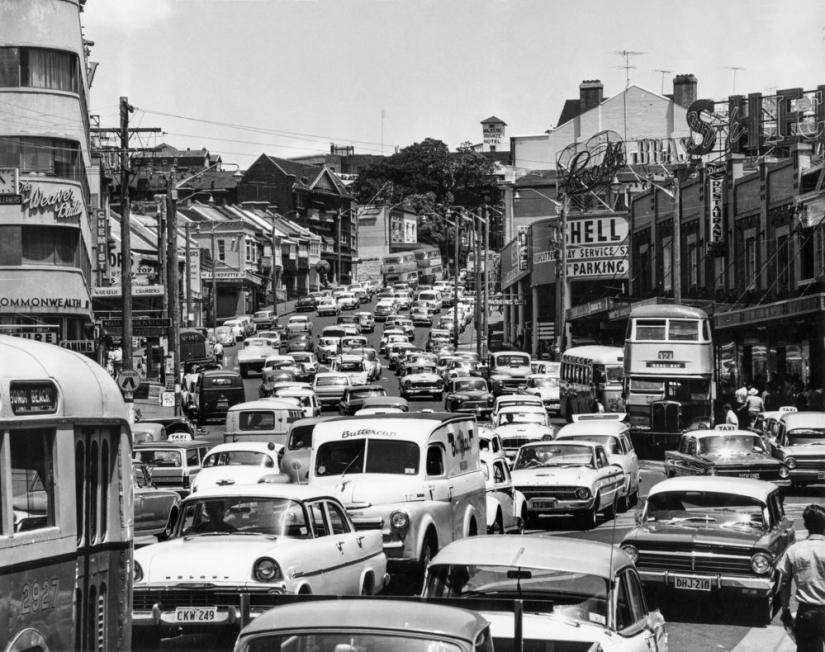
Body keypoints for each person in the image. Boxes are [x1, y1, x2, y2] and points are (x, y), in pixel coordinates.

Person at [777, 504, 825, 651]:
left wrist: (785, 610)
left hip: (807, 613)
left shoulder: (794, 550)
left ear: (805, 524)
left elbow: (784, 583)